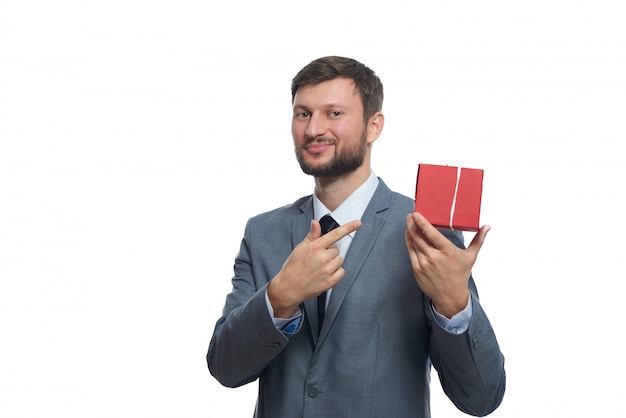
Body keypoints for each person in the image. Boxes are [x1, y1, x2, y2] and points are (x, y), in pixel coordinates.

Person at [207, 56, 506, 418]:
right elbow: (225, 368)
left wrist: (455, 303)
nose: (314, 128)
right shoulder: (262, 232)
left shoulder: (427, 231)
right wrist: (279, 297)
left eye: (334, 113)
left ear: (373, 126)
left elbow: (481, 398)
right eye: (303, 114)